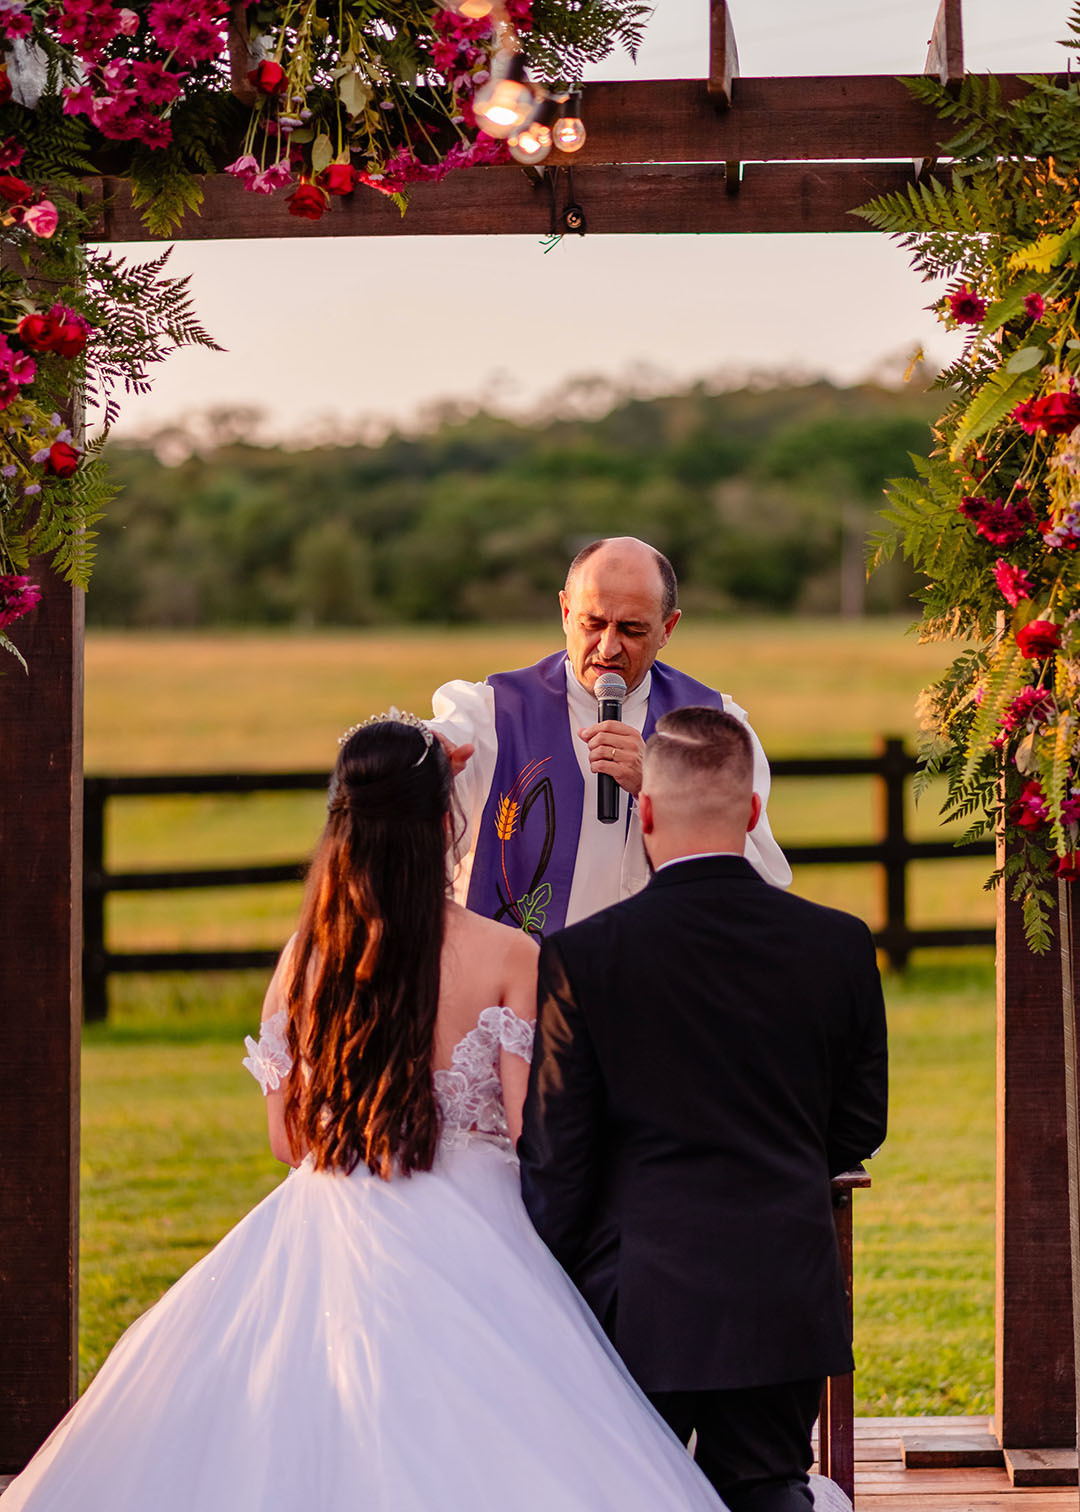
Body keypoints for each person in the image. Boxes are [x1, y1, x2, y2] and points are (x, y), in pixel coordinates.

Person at [4, 713, 726, 1512]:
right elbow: (536, 1137)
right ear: (443, 824)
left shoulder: (307, 953)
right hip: (479, 1225)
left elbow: (287, 1139)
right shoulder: (510, 955)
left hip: (327, 1211)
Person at [519, 707, 888, 1512]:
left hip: (639, 1293)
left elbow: (559, 1155)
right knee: (767, 1487)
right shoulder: (840, 943)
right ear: (753, 813)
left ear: (644, 810)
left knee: (621, 1491)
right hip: (783, 1284)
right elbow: (863, 1122)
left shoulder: (585, 956)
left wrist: (552, 1284)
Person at [428, 536, 790, 937]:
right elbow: (420, 800)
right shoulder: (491, 712)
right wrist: (416, 759)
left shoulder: (717, 728)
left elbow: (761, 886)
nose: (608, 646)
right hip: (526, 984)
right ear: (566, 612)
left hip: (661, 983)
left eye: (632, 629)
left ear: (668, 628)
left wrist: (661, 786)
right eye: (593, 623)